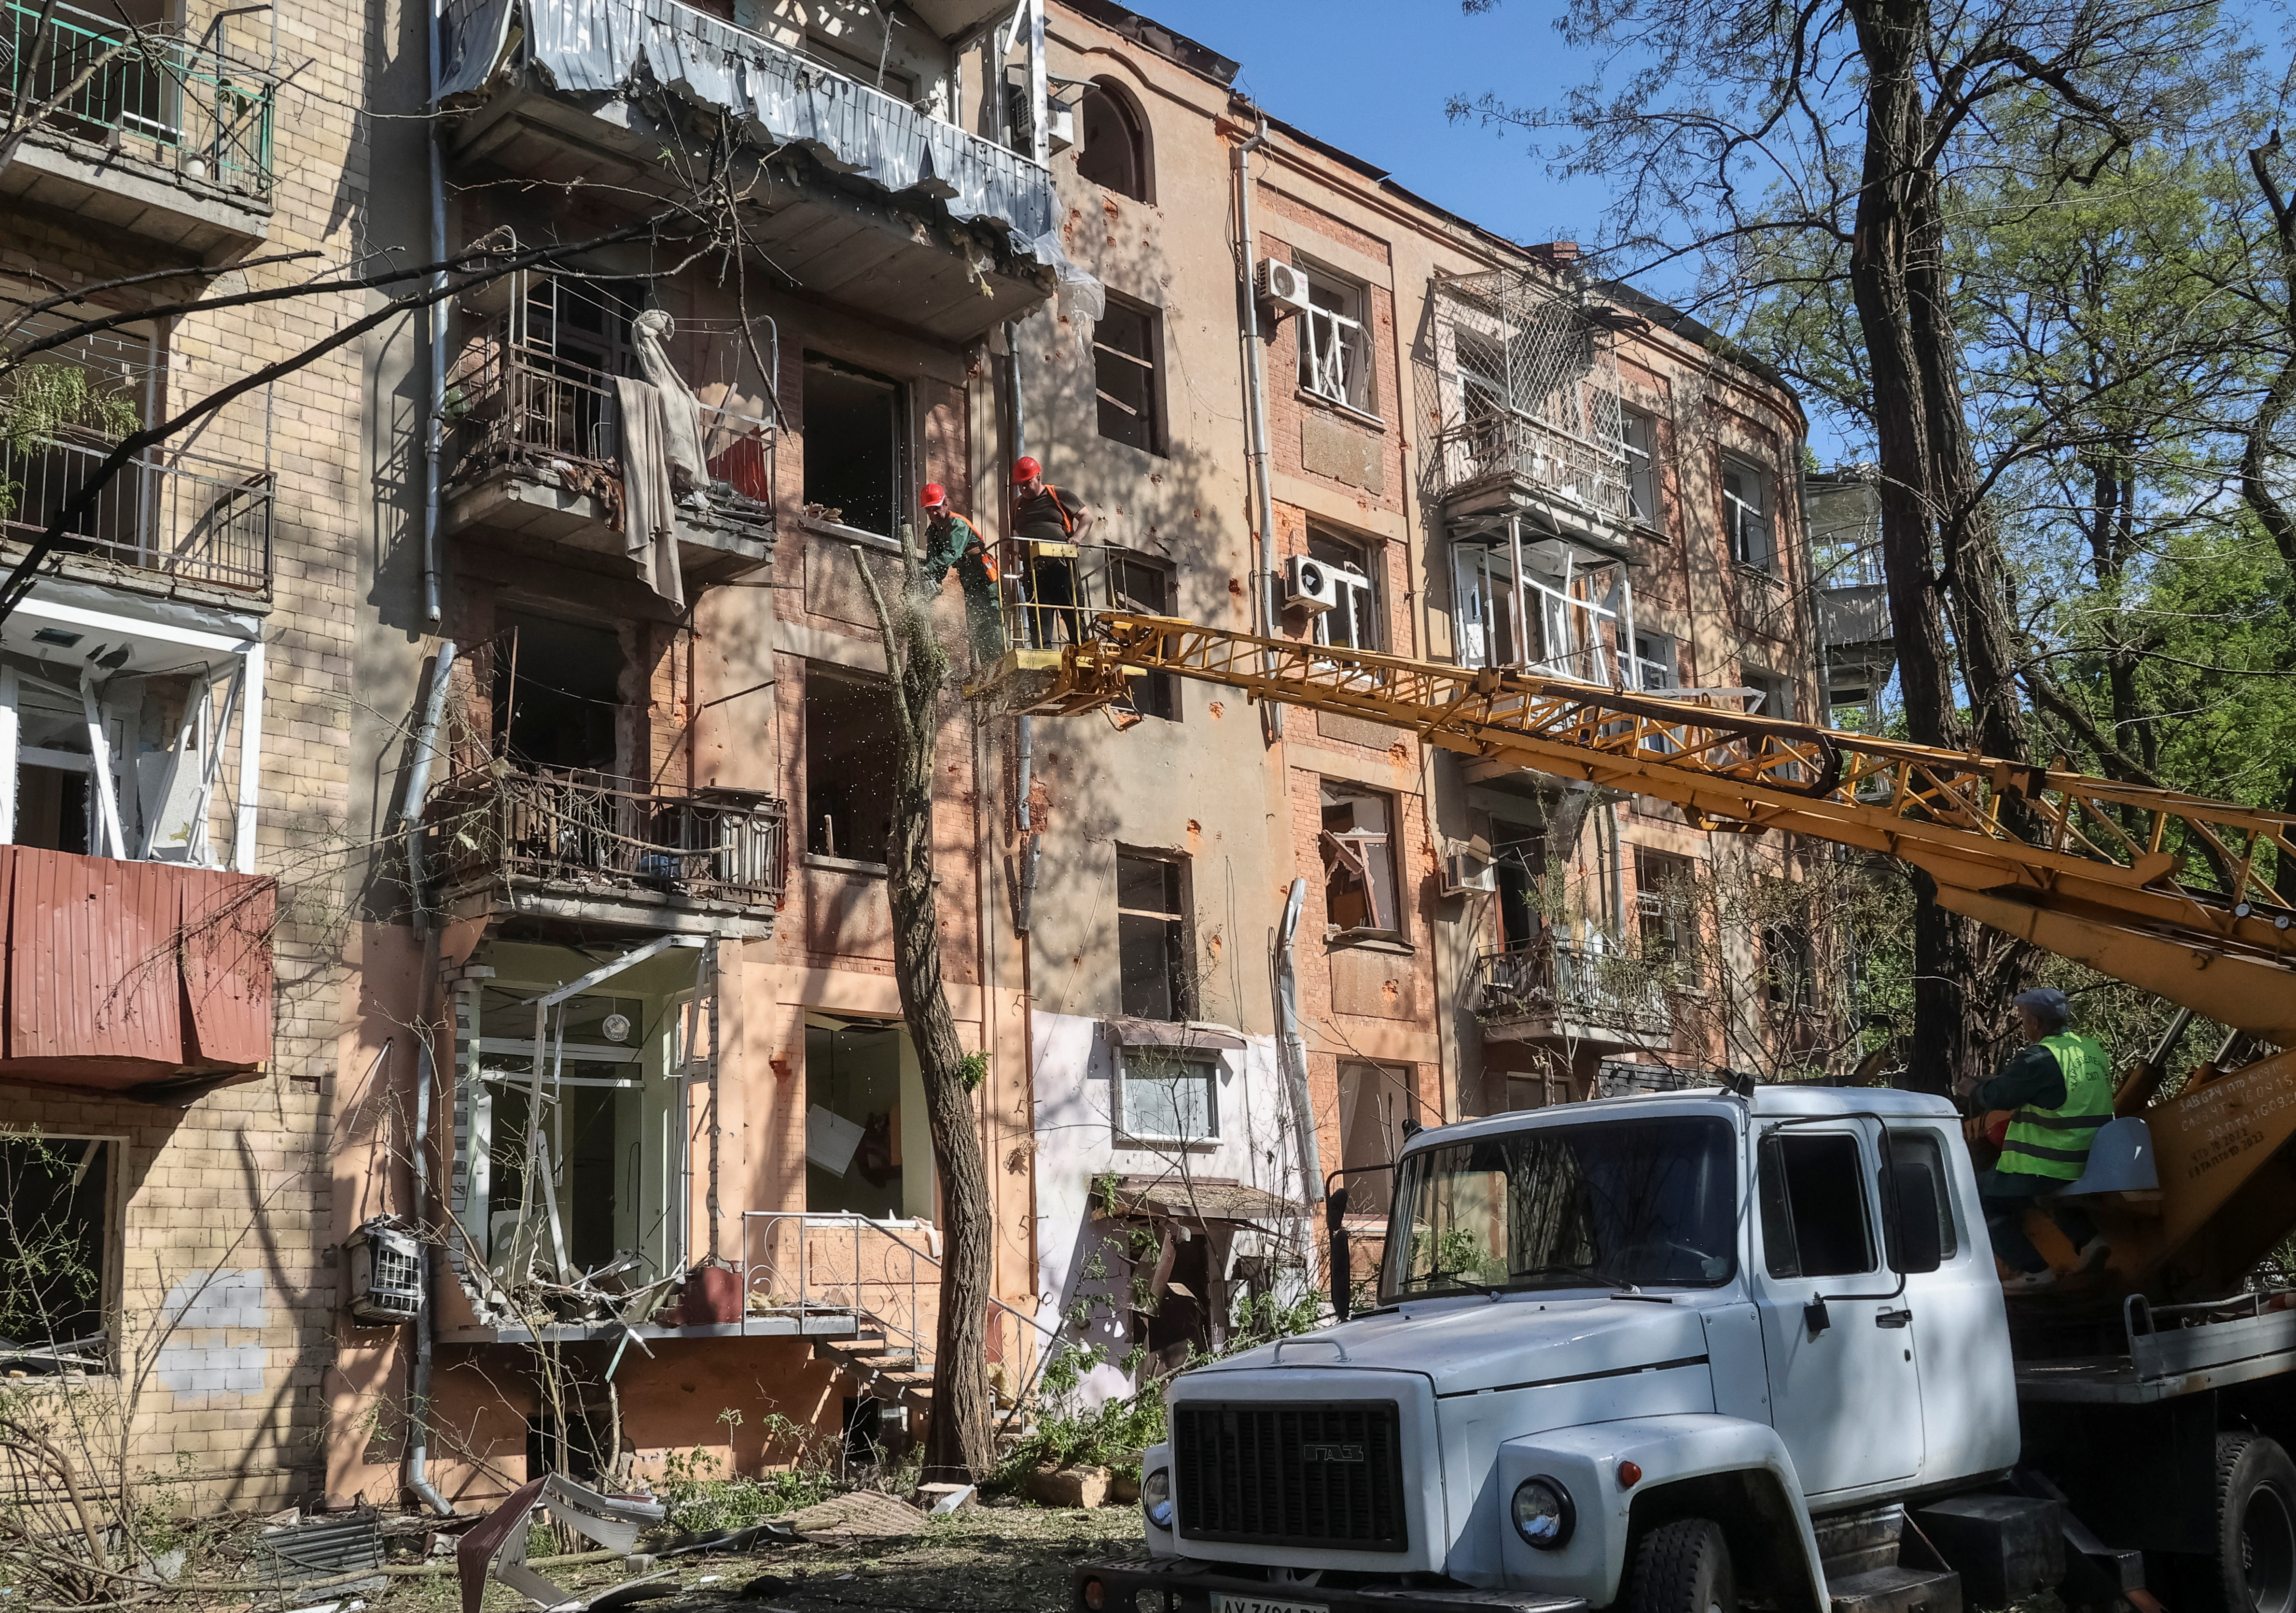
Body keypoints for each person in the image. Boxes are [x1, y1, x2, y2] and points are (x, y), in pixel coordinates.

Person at [1954, 986, 2113, 1293]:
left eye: (2025, 1019)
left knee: (1976, 1198)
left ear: (2036, 1021)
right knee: (2043, 1193)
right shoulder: (2089, 1050)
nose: (2024, 1024)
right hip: (2090, 1156)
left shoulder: (2039, 1057)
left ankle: (2033, 1271)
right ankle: (2091, 1242)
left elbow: (2001, 1097)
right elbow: (2048, 1087)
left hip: (2051, 1159)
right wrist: (1999, 1079)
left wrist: (1973, 1089)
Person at [1010, 455, 1093, 645]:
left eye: (1027, 483)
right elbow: (1017, 537)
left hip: (1062, 567)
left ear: (1038, 477)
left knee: (1074, 618)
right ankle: (1044, 667)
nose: (1023, 489)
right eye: (1020, 485)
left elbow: (1087, 518)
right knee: (1039, 627)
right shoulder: (1017, 506)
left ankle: (1082, 655)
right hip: (1035, 572)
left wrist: (1076, 538)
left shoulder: (1058, 495)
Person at [918, 483, 1004, 664]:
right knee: (976, 623)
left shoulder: (958, 524)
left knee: (992, 619)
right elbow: (934, 562)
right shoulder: (933, 532)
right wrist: (930, 581)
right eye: (929, 511)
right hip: (968, 578)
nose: (933, 514)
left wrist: (930, 570)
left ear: (946, 505)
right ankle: (989, 663)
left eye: (936, 509)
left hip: (984, 575)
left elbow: (952, 552)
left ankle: (1003, 659)